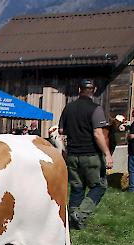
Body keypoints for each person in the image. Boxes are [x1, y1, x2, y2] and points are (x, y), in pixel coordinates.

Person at [58, 79, 112, 230]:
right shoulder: (96, 109)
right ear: (93, 90)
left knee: (77, 188)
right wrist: (107, 154)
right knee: (99, 186)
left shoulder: (68, 108)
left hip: (73, 155)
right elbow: (97, 133)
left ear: (79, 89)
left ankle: (72, 219)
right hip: (91, 155)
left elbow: (62, 131)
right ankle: (80, 214)